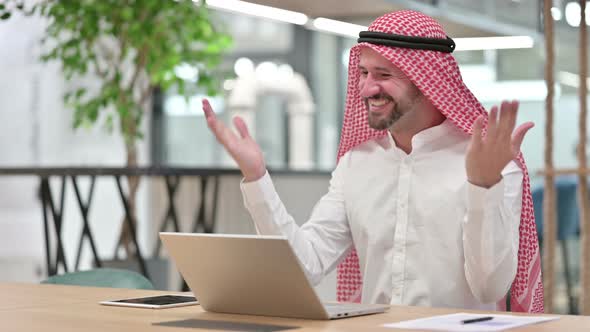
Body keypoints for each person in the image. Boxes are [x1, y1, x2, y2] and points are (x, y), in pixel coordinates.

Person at [202, 10, 543, 313]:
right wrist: (257, 177)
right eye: (363, 72)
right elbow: (305, 265)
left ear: (427, 79)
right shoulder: (357, 164)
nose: (366, 88)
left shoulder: (490, 163)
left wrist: (483, 187)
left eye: (383, 74)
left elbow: (490, 289)